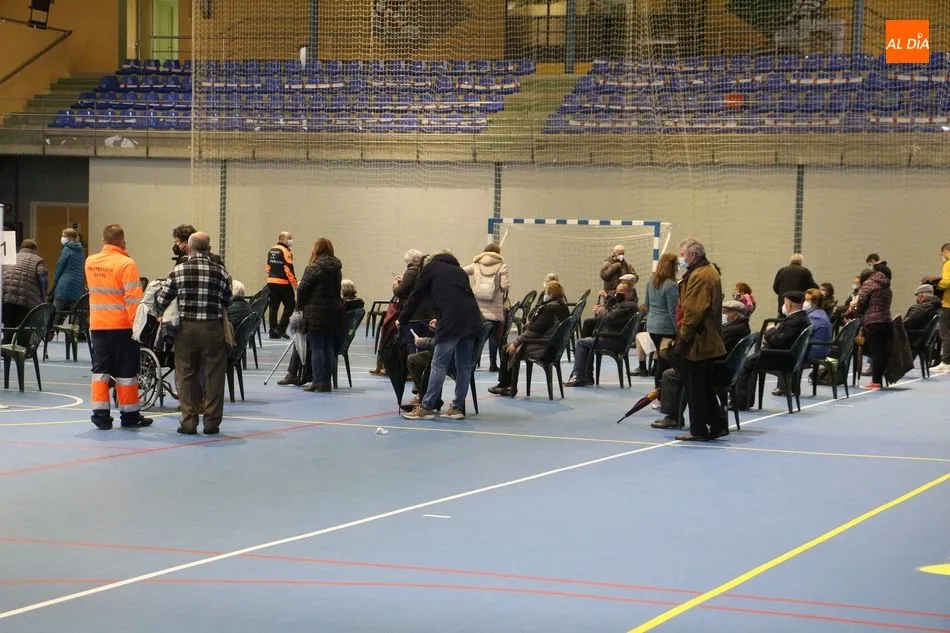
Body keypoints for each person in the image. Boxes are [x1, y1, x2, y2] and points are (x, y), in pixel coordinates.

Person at [154, 232, 232, 434]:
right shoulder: (222, 272)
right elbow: (227, 299)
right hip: (213, 328)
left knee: (186, 374)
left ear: (189, 248)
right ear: (209, 248)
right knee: (214, 375)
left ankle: (188, 422)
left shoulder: (178, 271)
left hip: (186, 329)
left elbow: (161, 301)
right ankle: (212, 423)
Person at [398, 250, 483, 420]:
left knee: (438, 364)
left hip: (451, 322)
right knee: (464, 366)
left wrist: (402, 319)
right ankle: (457, 408)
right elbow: (455, 298)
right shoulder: (459, 271)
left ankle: (427, 407)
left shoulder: (430, 268)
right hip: (472, 319)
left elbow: (416, 295)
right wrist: (440, 317)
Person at [84, 224, 151, 430]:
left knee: (100, 372)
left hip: (98, 326)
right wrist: (136, 328)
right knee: (126, 373)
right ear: (122, 241)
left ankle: (100, 415)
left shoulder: (90, 262)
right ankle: (130, 415)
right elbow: (133, 299)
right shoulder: (126, 264)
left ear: (103, 240)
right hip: (122, 327)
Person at [652, 299, 750, 429]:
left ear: (735, 315)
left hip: (717, 370)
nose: (721, 314)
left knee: (670, 374)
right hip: (724, 368)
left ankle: (673, 417)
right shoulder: (741, 328)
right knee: (680, 368)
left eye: (725, 311)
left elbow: (717, 351)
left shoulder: (733, 331)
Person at [667, 238, 728, 441]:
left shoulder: (701, 275)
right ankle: (717, 425)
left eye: (683, 255)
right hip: (704, 338)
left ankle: (699, 429)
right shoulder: (707, 271)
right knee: (703, 386)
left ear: (693, 256)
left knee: (696, 388)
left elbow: (693, 311)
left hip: (698, 341)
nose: (681, 259)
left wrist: (682, 339)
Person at [488, 280, 570, 397]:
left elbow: (533, 332)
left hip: (543, 348)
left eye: (546, 292)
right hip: (554, 347)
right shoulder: (563, 307)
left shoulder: (549, 309)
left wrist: (515, 344)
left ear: (551, 295)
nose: (544, 295)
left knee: (507, 349)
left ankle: (506, 385)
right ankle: (506, 385)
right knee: (510, 347)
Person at [565, 281, 639, 387]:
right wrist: (606, 300)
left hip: (615, 341)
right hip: (614, 337)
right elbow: (612, 310)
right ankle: (586, 375)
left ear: (630, 293)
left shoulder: (629, 305)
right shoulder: (624, 304)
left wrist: (600, 311)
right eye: (617, 290)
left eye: (621, 291)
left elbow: (611, 318)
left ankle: (579, 376)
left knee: (581, 343)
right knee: (588, 329)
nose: (618, 293)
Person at [295, 238, 344, 393]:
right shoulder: (337, 268)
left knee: (316, 347)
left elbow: (302, 289)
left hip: (315, 312)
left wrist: (300, 306)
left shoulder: (313, 267)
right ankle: (326, 382)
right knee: (328, 347)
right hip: (333, 311)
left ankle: (317, 381)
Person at [772, 287, 833, 397]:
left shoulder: (814, 316)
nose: (803, 302)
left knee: (786, 348)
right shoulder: (818, 313)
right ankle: (786, 386)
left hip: (815, 349)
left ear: (815, 303)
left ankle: (785, 387)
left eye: (807, 300)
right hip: (817, 346)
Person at [463, 243, 510, 373]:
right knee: (494, 337)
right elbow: (504, 286)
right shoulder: (502, 266)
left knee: (479, 338)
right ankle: (493, 364)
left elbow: (461, 272)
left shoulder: (476, 264)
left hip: (478, 307)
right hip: (495, 308)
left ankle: (472, 364)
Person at [844, 265, 892, 390]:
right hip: (886, 321)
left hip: (872, 322)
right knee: (881, 352)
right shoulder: (887, 286)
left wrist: (855, 311)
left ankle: (875, 382)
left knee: (876, 353)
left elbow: (861, 303)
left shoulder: (868, 284)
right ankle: (878, 381)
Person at [643, 253, 679, 388]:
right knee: (665, 362)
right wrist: (678, 330)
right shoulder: (671, 285)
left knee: (660, 358)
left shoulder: (651, 282)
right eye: (676, 265)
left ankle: (659, 390)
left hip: (652, 326)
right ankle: (661, 391)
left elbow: (647, 305)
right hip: (666, 329)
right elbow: (673, 311)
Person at [2, 239, 48, 343]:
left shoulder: (11, 258)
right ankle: (21, 348)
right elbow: (43, 279)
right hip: (27, 300)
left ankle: (6, 347)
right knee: (24, 331)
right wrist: (43, 296)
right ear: (35, 249)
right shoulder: (38, 260)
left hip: (8, 299)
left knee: (8, 329)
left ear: (22, 247)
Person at [922, 243, 950, 373]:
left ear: (946, 251)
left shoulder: (948, 264)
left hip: (948, 304)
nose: (942, 256)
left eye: (942, 253)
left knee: (945, 333)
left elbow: (946, 282)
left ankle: (946, 362)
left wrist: (935, 286)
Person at [266, 231, 297, 339]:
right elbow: (288, 270)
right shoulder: (286, 251)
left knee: (273, 307)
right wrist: (295, 284)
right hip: (283, 283)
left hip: (271, 282)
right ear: (283, 239)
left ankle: (272, 330)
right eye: (289, 238)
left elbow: (268, 268)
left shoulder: (271, 250)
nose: (291, 241)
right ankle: (280, 330)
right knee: (290, 305)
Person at [52, 228, 86, 325]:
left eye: (64, 236)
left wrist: (55, 281)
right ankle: (73, 331)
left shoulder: (67, 249)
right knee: (75, 312)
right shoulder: (81, 250)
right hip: (78, 283)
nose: (62, 238)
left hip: (64, 283)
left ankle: (51, 330)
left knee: (56, 310)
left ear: (70, 238)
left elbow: (60, 266)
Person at [903, 284, 941, 349]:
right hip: (924, 340)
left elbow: (905, 325)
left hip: (913, 339)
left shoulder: (919, 308)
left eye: (917, 296)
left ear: (921, 295)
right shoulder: (936, 307)